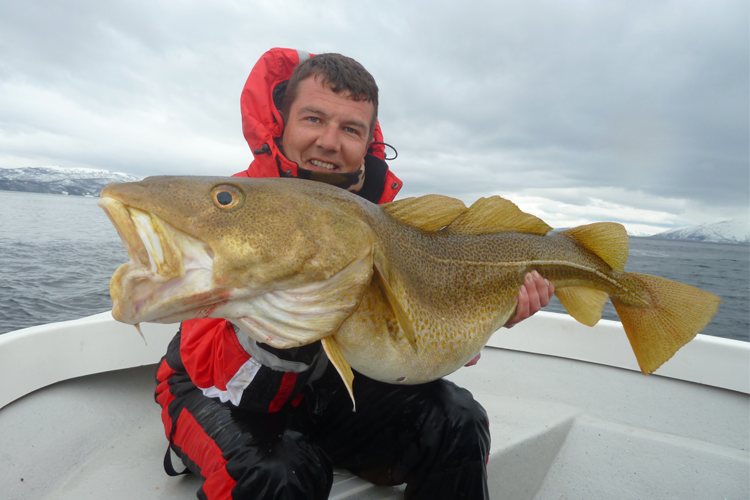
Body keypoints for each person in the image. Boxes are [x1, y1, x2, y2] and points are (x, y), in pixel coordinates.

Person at [155, 48, 554, 500]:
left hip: (326, 391)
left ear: (368, 142)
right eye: (313, 119)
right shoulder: (231, 209)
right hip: (215, 393)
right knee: (275, 472)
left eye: (350, 129)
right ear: (282, 121)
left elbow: (414, 338)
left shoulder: (385, 222)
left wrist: (488, 313)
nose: (329, 141)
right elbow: (217, 376)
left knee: (457, 420)